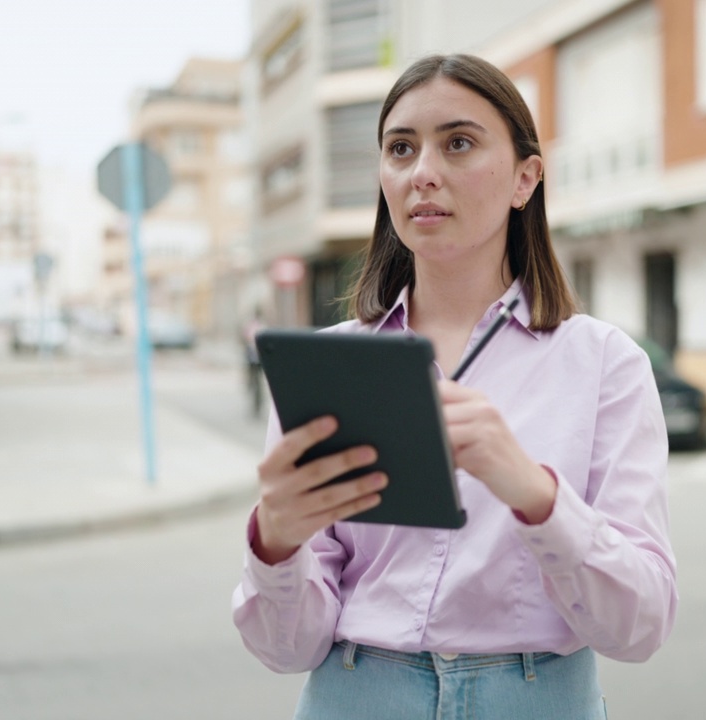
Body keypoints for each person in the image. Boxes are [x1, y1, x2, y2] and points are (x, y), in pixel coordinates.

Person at [232, 54, 676, 719]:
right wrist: (276, 543)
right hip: (355, 695)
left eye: (459, 143)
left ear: (526, 178)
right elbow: (285, 648)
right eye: (401, 149)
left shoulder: (605, 362)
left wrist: (535, 494)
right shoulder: (328, 366)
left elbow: (640, 626)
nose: (423, 174)